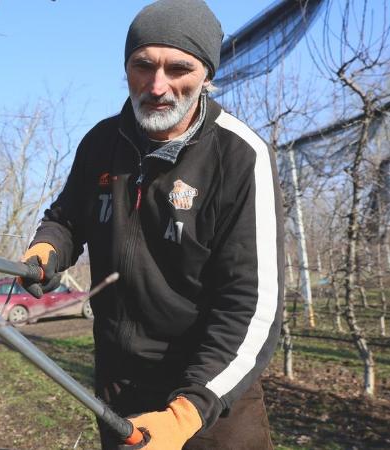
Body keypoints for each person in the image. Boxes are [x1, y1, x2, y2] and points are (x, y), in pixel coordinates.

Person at [19, 1, 285, 449]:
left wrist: (187, 412)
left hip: (209, 398)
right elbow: (66, 219)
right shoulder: (101, 142)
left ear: (206, 74)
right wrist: (45, 249)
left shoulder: (240, 156)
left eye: (179, 68)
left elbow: (253, 306)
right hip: (120, 389)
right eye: (143, 65)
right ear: (126, 68)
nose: (158, 85)